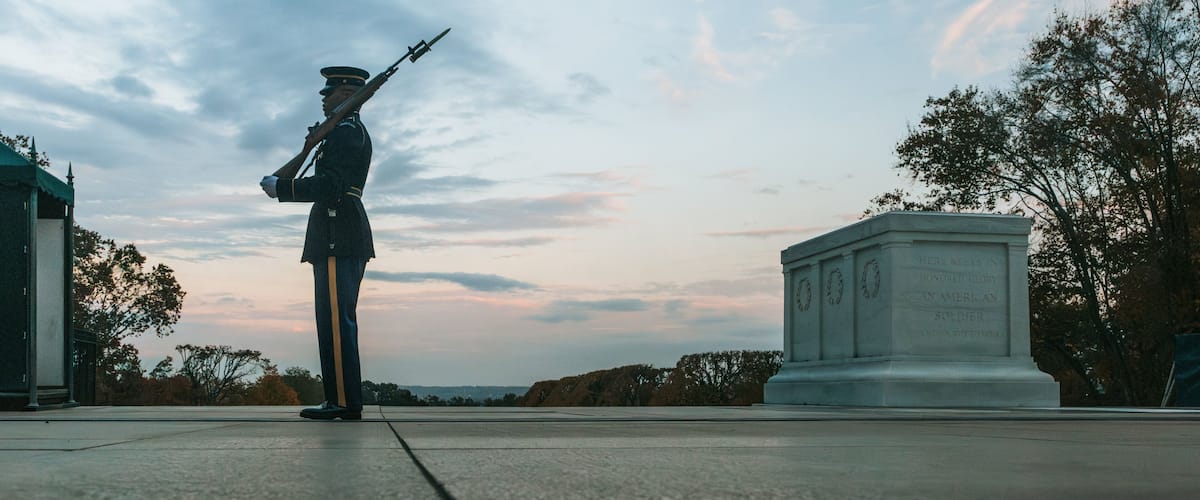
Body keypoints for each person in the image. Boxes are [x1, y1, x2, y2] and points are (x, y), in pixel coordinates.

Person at [260, 66, 375, 420]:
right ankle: (338, 398)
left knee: (337, 321)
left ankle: (343, 401)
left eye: (331, 94)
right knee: (330, 320)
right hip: (335, 232)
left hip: (338, 231)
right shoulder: (339, 133)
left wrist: (285, 188)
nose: (324, 100)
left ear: (348, 95)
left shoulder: (346, 133)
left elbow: (331, 186)